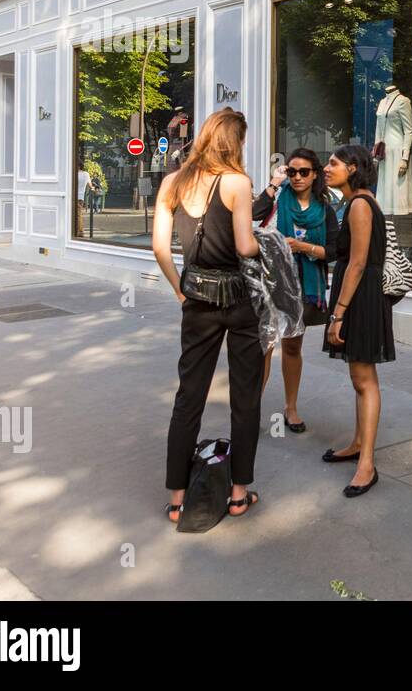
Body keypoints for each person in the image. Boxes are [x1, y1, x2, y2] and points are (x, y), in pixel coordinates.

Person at [152, 107, 264, 523]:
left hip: (196, 301)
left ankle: (178, 501)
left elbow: (160, 249)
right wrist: (273, 243)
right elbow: (245, 246)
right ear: (235, 142)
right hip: (237, 301)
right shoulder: (237, 182)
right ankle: (238, 495)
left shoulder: (172, 183)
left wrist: (180, 290)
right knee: (245, 396)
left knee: (189, 396)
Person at [320, 143, 394, 499]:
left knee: (365, 379)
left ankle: (367, 464)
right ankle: (357, 444)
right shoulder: (358, 202)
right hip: (359, 295)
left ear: (352, 168)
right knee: (359, 375)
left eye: (332, 163)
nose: (325, 168)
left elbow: (358, 263)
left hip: (361, 297)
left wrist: (339, 314)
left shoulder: (361, 205)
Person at [252, 148, 339, 433]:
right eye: (292, 171)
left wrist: (302, 247)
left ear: (315, 175)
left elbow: (333, 251)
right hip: (271, 281)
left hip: (304, 284)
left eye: (304, 172)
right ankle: (250, 408)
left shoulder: (325, 210)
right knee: (264, 345)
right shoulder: (277, 198)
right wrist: (274, 183)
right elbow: (252, 216)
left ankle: (291, 407)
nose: (297, 177)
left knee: (292, 346)